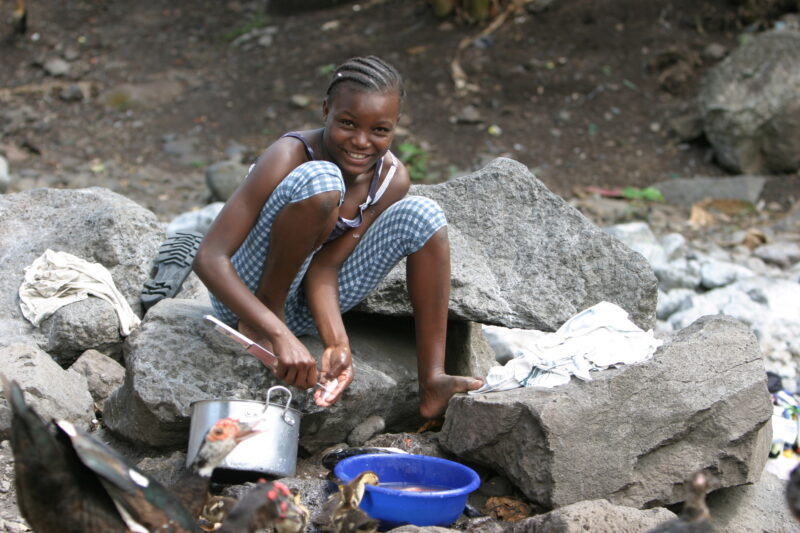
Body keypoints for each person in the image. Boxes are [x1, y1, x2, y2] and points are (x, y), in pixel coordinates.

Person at [193, 55, 482, 419]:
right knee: (323, 181)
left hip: (307, 306)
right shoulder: (289, 154)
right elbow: (209, 257)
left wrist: (337, 344)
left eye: (380, 130)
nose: (362, 142)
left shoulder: (391, 178)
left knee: (425, 214)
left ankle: (433, 381)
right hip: (248, 298)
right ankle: (264, 322)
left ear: (395, 127)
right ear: (326, 110)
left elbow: (326, 268)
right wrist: (278, 334)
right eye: (347, 123)